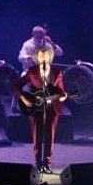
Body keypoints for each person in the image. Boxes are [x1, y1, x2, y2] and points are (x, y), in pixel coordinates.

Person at [15, 43, 68, 173]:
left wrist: (63, 96)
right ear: (36, 58)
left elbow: (61, 91)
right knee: (37, 137)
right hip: (36, 107)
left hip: (51, 107)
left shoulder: (57, 72)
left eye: (45, 56)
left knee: (50, 137)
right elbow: (17, 86)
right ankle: (38, 163)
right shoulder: (32, 71)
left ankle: (47, 164)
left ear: (49, 56)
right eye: (40, 56)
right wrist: (24, 99)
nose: (42, 58)